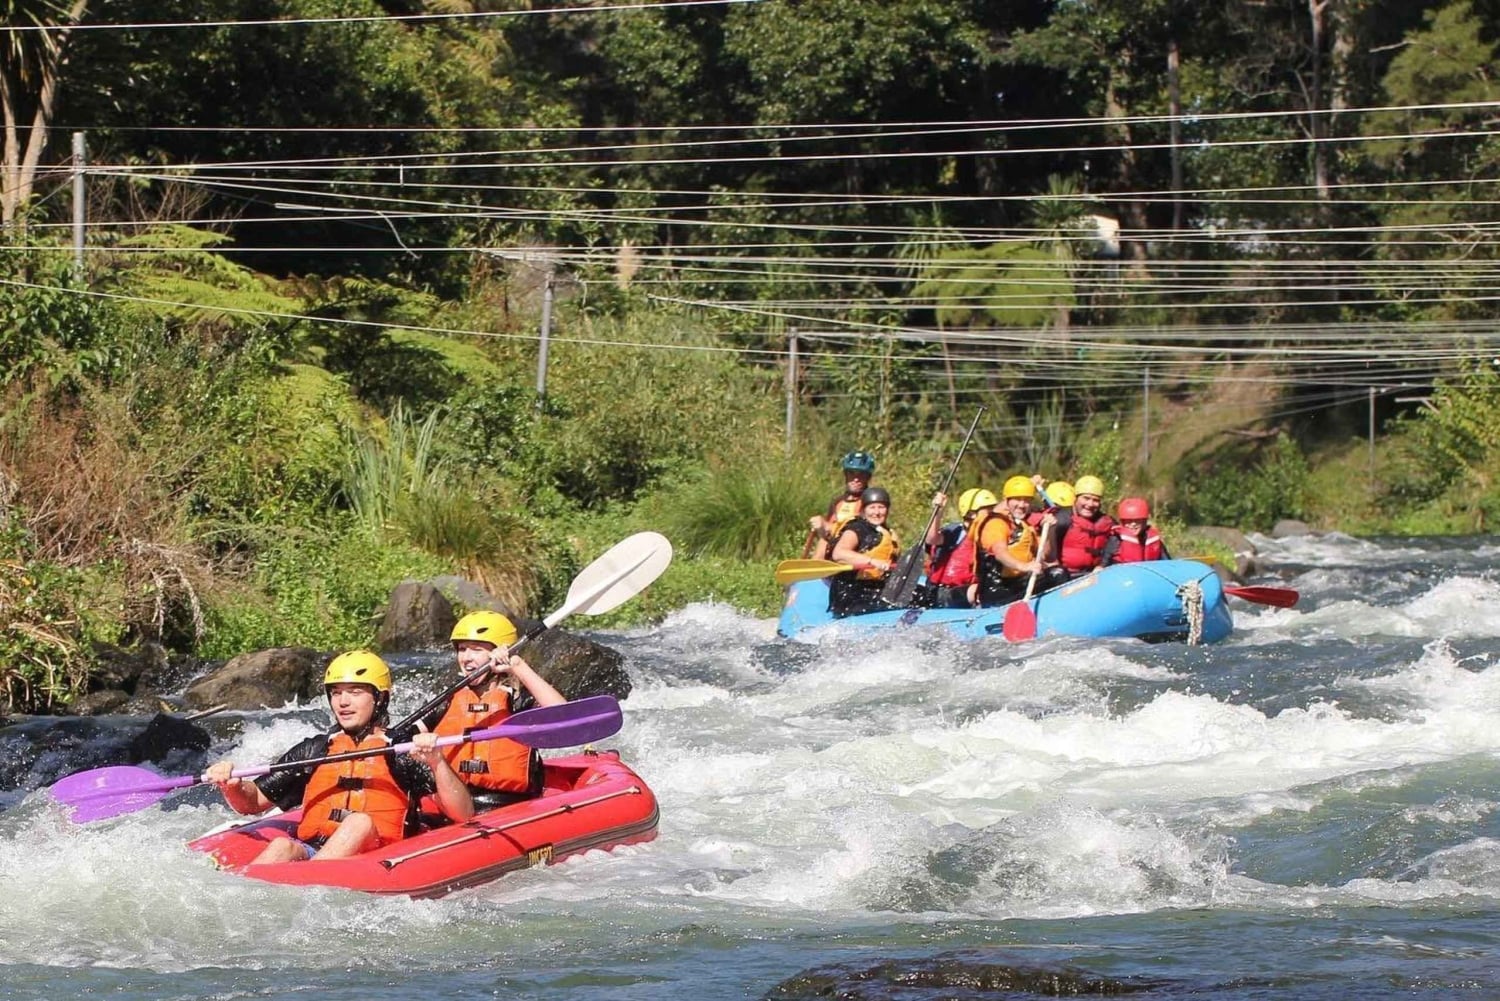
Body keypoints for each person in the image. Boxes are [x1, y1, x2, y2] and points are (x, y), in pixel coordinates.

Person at [204, 651, 473, 864]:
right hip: (314, 851)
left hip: (375, 856)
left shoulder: (401, 750)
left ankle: (312, 885)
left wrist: (437, 761)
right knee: (281, 846)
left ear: (380, 699)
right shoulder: (315, 751)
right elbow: (252, 802)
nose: (343, 701)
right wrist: (232, 785)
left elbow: (464, 814)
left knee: (359, 821)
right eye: (336, 692)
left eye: (355, 692)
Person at [406, 610, 567, 810]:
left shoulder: (517, 698)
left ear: (500, 652)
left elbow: (564, 718)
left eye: (476, 649)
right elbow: (402, 738)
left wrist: (517, 666)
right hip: (454, 804)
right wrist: (417, 744)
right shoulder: (447, 699)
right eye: (462, 649)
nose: (466, 658)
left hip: (510, 806)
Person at [975, 475, 1056, 606]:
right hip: (996, 590)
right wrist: (1025, 566)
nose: (1022, 505)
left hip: (1017, 583)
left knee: (1056, 573)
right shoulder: (996, 523)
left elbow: (1048, 556)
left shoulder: (1025, 526)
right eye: (1017, 500)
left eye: (1026, 501)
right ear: (1006, 501)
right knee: (1057, 575)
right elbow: (1000, 553)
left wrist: (1050, 530)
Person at [828, 485, 900, 617]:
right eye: (872, 507)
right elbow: (839, 553)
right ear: (864, 510)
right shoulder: (857, 529)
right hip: (850, 594)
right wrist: (872, 561)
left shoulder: (888, 533)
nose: (877, 512)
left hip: (873, 589)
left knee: (920, 595)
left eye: (881, 507)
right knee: (897, 602)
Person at [921, 487, 997, 608]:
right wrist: (938, 513)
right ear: (971, 513)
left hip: (967, 593)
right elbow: (931, 539)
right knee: (979, 589)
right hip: (942, 593)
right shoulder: (955, 532)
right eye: (987, 512)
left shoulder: (989, 536)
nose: (992, 517)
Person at [807, 450, 876, 559]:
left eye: (861, 474)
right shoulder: (837, 502)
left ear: (868, 477)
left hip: (856, 554)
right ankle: (815, 565)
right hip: (833, 554)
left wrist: (827, 526)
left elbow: (863, 532)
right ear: (845, 474)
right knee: (823, 540)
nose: (856, 479)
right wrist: (822, 528)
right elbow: (828, 536)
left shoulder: (870, 502)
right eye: (851, 473)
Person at [1046, 474, 1114, 579]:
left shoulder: (1107, 522)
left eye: (1095, 500)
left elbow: (1115, 543)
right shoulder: (1061, 519)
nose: (1090, 504)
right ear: (1076, 498)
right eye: (1086, 498)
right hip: (1065, 578)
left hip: (1095, 575)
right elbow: (1047, 553)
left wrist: (1103, 564)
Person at [1102, 497, 1171, 565]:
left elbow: (1168, 564)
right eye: (1128, 521)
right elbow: (1103, 564)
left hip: (1147, 575)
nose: (1133, 524)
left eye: (1137, 520)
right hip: (1123, 575)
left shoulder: (1153, 539)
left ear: (1144, 521)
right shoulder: (1116, 539)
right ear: (1122, 522)